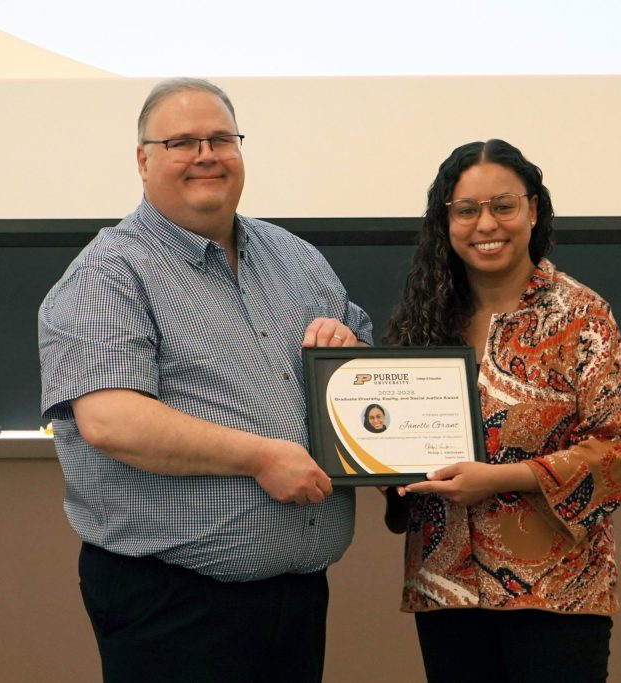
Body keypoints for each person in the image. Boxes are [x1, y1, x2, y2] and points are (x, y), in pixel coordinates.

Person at [38, 78, 372, 683]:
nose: (205, 155)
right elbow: (111, 420)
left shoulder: (297, 259)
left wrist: (350, 356)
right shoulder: (109, 273)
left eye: (221, 138)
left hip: (295, 601)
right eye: (181, 142)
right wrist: (259, 458)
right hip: (170, 605)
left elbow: (371, 375)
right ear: (142, 159)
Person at [382, 139, 621, 682]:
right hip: (446, 589)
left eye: (503, 205)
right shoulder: (425, 320)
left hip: (557, 593)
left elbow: (618, 452)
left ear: (533, 210)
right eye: (466, 210)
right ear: (445, 221)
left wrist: (499, 478)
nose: (486, 225)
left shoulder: (581, 317)